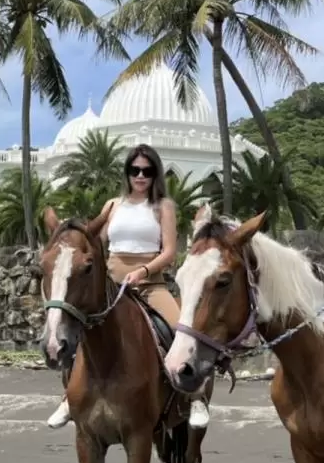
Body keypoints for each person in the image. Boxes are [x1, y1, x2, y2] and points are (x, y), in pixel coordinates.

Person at [46, 143, 212, 429]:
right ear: (127, 173)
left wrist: (143, 271)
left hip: (150, 283)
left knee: (179, 330)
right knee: (75, 328)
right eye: (134, 170)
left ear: (155, 174)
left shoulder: (164, 207)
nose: (140, 176)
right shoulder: (112, 205)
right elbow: (93, 240)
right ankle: (69, 397)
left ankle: (194, 397)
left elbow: (170, 251)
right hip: (112, 284)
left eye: (147, 171)